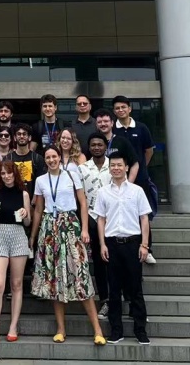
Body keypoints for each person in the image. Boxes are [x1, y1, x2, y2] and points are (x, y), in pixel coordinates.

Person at [28, 146, 106, 346]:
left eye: (54, 156)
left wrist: (85, 229)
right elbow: (38, 209)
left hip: (70, 225)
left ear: (59, 158)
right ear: (45, 160)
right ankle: (61, 329)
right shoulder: (41, 180)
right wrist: (34, 236)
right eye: (48, 157)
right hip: (49, 228)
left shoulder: (71, 175)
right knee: (55, 278)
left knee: (81, 274)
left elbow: (83, 202)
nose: (51, 160)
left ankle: (97, 330)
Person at [96, 152, 153, 345]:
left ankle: (140, 330)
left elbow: (144, 218)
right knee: (114, 289)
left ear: (126, 167)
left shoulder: (137, 191)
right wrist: (102, 244)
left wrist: (144, 245)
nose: (116, 168)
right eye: (112, 165)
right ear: (109, 168)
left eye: (119, 165)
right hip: (112, 244)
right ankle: (116, 331)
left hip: (133, 243)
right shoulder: (103, 192)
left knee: (135, 288)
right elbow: (101, 219)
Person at [100, 104, 158, 264]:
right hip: (106, 189)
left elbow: (139, 160)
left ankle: (147, 248)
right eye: (100, 122)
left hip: (129, 183)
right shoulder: (98, 139)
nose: (103, 124)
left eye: (106, 121)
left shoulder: (124, 138)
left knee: (141, 214)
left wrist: (128, 184)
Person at [0, 160, 32, 344]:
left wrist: (25, 214)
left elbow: (27, 222)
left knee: (17, 284)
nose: (6, 176)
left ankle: (13, 326)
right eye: (3, 173)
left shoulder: (24, 194)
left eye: (9, 172)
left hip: (18, 236)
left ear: (14, 173)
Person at [79, 132, 112, 316]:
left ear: (106, 146)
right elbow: (81, 198)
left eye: (100, 144)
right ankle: (105, 300)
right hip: (92, 218)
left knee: (116, 261)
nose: (97, 147)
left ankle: (123, 298)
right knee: (99, 263)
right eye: (93, 145)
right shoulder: (83, 168)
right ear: (89, 147)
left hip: (114, 219)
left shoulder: (114, 165)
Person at [9, 123, 45, 190]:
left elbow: (42, 183)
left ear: (29, 137)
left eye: (24, 134)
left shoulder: (38, 158)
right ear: (14, 138)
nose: (21, 136)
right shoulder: (8, 158)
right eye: (19, 134)